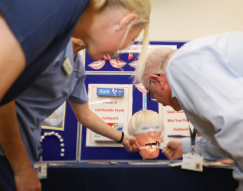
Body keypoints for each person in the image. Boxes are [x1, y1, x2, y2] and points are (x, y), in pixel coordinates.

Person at [0, 38, 140, 191]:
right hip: (8, 146)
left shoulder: (77, 67)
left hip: (26, 147)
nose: (110, 55)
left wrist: (122, 138)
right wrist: (21, 168)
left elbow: (84, 115)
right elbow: (4, 94)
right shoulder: (50, 46)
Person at [135, 32, 243, 189]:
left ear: (158, 80)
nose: (157, 101)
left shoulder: (180, 64)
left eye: (152, 94)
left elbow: (237, 124)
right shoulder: (194, 61)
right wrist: (186, 147)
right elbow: (221, 139)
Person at [0, 0, 151, 105]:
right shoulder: (58, 6)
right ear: (126, 22)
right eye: (131, 39)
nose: (122, 49)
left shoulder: (61, 33)